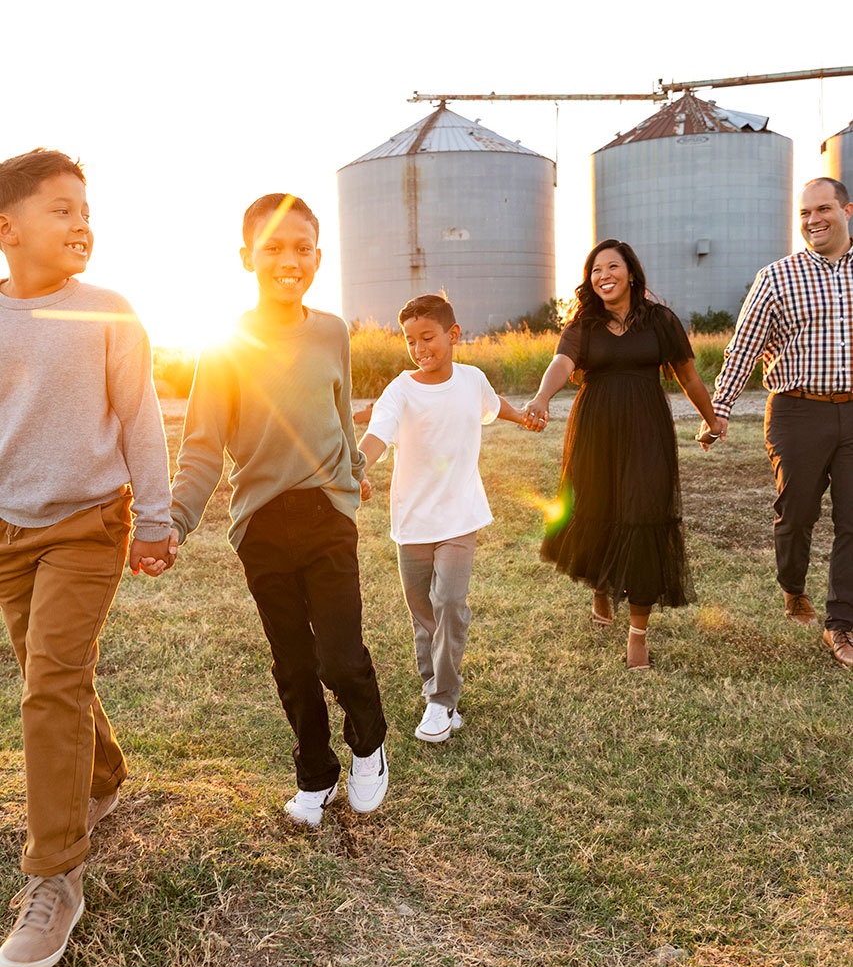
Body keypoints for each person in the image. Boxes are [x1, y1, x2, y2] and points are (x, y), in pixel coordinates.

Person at [0, 149, 173, 967]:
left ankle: (55, 875)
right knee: (48, 669)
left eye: (85, 209)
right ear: (8, 229)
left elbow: (141, 418)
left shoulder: (108, 311)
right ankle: (102, 769)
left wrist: (156, 517)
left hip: (88, 524)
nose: (81, 223)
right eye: (61, 209)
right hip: (8, 529)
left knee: (49, 684)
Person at [169, 193, 387, 824]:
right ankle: (315, 777)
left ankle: (369, 743)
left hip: (326, 513)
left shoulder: (332, 331)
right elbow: (203, 446)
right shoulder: (226, 345)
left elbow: (342, 415)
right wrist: (176, 521)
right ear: (247, 257)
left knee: (340, 655)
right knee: (293, 661)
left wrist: (353, 477)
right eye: (272, 248)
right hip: (261, 523)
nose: (288, 260)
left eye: (302, 248)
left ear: (318, 256)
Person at [524, 240, 722, 670]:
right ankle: (601, 583)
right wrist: (541, 398)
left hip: (647, 428)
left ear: (631, 273)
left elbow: (687, 374)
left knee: (644, 516)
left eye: (612, 267)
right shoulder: (584, 324)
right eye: (595, 270)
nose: (603, 276)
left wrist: (713, 419)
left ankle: (637, 635)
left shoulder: (660, 320)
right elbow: (561, 362)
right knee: (597, 509)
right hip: (596, 428)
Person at [698, 178, 853, 668]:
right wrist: (718, 410)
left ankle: (840, 625)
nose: (813, 220)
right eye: (805, 213)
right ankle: (792, 588)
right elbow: (742, 347)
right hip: (795, 409)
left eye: (823, 209)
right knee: (797, 512)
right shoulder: (777, 278)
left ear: (847, 210)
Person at [358, 293, 527, 742]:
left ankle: (441, 700)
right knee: (423, 613)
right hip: (412, 521)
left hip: (460, 517)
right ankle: (436, 688)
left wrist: (523, 418)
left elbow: (494, 406)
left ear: (453, 335)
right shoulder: (400, 388)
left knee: (449, 602)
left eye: (427, 337)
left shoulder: (472, 380)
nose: (419, 348)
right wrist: (356, 468)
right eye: (410, 340)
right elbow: (378, 431)